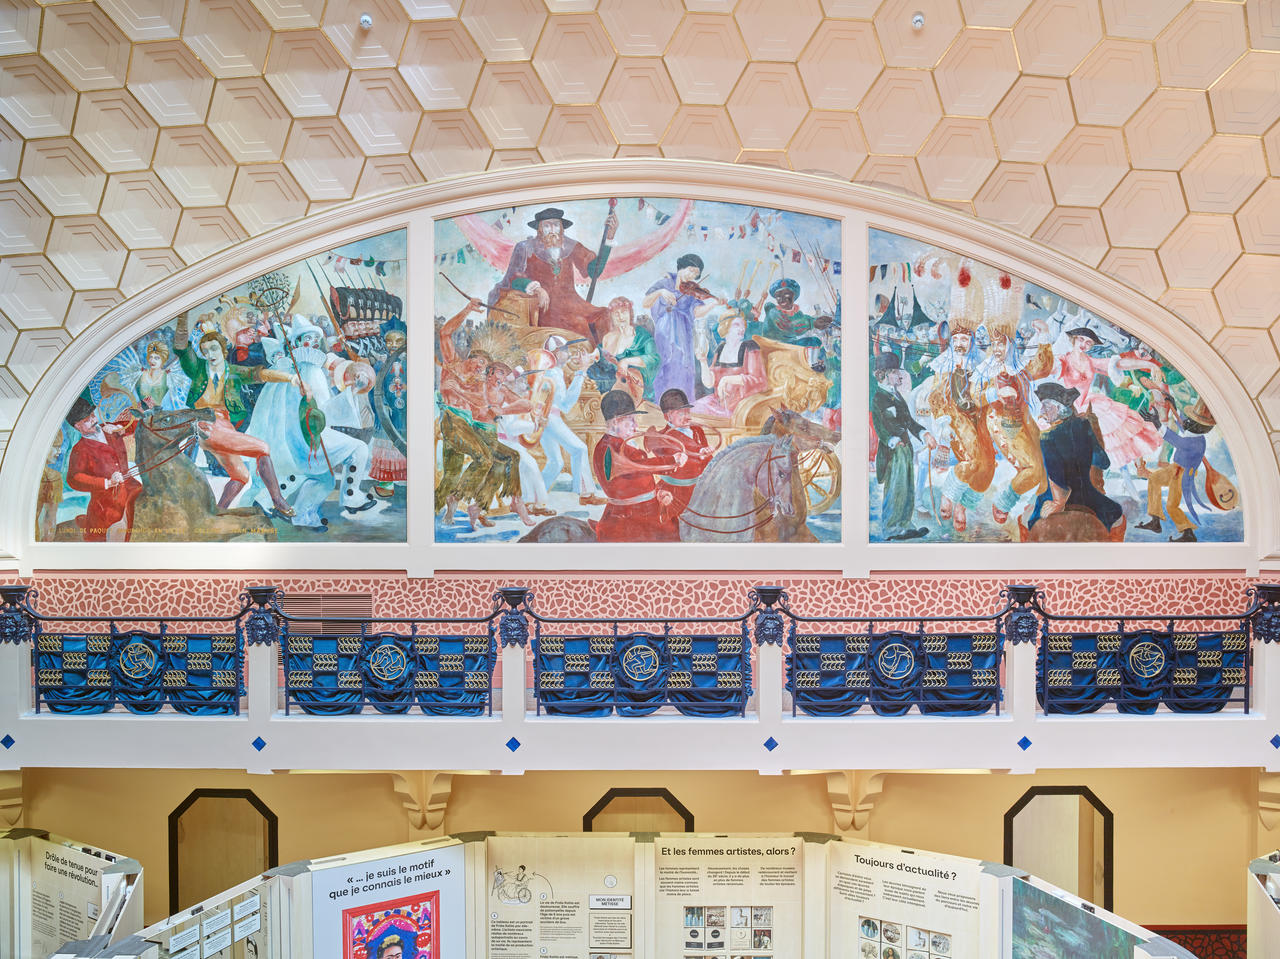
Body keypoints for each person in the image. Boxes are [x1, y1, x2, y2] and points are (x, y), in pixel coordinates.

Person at [173, 310, 297, 516]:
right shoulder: (197, 369)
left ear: (223, 351)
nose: (210, 355)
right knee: (262, 448)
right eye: (205, 351)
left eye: (213, 349)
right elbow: (180, 346)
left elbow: (260, 374)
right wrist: (181, 316)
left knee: (241, 476)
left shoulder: (233, 372)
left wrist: (290, 379)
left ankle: (217, 513)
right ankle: (278, 500)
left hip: (225, 427)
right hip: (206, 424)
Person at [435, 298, 527, 529]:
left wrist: (496, 405)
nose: (481, 368)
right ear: (472, 356)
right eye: (480, 362)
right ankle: (457, 500)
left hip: (466, 427)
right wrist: (466, 309)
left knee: (451, 476)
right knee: (486, 459)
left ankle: (436, 509)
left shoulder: (478, 383)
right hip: (451, 421)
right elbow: (445, 334)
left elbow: (483, 404)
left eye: (485, 366)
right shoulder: (453, 364)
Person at [919, 268, 994, 532]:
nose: (960, 342)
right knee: (973, 459)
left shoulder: (981, 364)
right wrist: (943, 421)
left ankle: (964, 505)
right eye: (957, 338)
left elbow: (985, 396)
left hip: (978, 417)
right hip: (954, 420)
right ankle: (949, 495)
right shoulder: (944, 365)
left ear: (972, 340)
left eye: (965, 338)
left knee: (987, 468)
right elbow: (937, 396)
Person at [490, 206, 618, 344]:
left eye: (556, 225)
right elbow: (513, 279)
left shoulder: (571, 246)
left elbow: (594, 271)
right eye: (547, 226)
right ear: (539, 229)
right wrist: (537, 289)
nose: (552, 230)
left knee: (605, 315)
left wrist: (609, 239)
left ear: (562, 228)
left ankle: (604, 357)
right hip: (545, 308)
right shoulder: (526, 247)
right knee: (580, 324)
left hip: (574, 304)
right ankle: (590, 361)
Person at [1026, 382, 1125, 536]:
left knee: (1029, 525)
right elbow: (1103, 462)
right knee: (1116, 514)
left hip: (1058, 497)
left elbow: (1056, 476)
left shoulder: (1046, 437)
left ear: (1059, 409)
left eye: (1047, 406)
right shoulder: (1084, 424)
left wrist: (1058, 503)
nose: (1042, 411)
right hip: (1088, 496)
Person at [591, 390, 686, 542]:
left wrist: (658, 493)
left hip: (622, 513)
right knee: (674, 535)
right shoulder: (619, 449)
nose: (636, 426)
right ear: (616, 422)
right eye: (631, 420)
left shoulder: (603, 445)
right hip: (635, 518)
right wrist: (671, 460)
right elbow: (640, 466)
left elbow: (635, 480)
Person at [1136, 398, 1220, 543]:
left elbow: (1174, 439)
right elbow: (1183, 428)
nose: (1185, 420)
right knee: (1154, 480)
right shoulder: (1194, 434)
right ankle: (1155, 521)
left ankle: (1188, 533)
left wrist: (1156, 423)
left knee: (1171, 506)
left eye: (1189, 420)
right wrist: (1173, 405)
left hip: (1182, 475)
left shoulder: (1192, 442)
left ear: (1197, 426)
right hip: (1175, 468)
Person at [535, 335, 606, 506]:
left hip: (547, 417)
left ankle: (534, 499)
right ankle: (586, 493)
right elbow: (566, 404)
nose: (569, 353)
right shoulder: (552, 373)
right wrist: (581, 371)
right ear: (557, 353)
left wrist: (581, 370)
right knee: (579, 449)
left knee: (556, 462)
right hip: (550, 418)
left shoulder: (553, 372)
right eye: (565, 350)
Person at [63, 392, 143, 542]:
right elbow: (74, 479)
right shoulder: (80, 449)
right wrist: (107, 482)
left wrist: (122, 426)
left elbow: (134, 424)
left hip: (132, 489)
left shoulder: (109, 428)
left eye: (93, 415)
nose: (93, 420)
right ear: (78, 426)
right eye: (87, 420)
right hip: (106, 504)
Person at [871, 352, 933, 540]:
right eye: (895, 372)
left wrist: (925, 433)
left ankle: (905, 525)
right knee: (896, 488)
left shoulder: (896, 395)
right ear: (883, 374)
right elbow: (880, 427)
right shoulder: (879, 398)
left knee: (907, 488)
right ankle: (891, 528)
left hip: (905, 449)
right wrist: (892, 440)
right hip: (892, 452)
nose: (900, 376)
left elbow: (908, 421)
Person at [643, 253, 721, 403]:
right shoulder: (664, 283)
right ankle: (661, 405)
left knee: (684, 368)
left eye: (696, 274)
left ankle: (683, 406)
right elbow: (646, 303)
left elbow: (696, 312)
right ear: (682, 267)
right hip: (664, 333)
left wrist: (712, 304)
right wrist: (660, 292)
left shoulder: (691, 292)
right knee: (664, 366)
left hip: (684, 334)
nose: (692, 275)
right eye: (691, 270)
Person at [586, 296, 660, 404]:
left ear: (630, 314)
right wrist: (594, 355)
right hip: (612, 390)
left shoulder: (641, 334)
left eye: (624, 312)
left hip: (637, 391)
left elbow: (654, 359)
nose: (621, 317)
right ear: (611, 317)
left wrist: (626, 361)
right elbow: (602, 355)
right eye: (616, 314)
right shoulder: (608, 338)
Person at [653, 388, 713, 520]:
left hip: (699, 489)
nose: (688, 417)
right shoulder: (661, 438)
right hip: (674, 493)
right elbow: (675, 464)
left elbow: (708, 464)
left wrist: (708, 457)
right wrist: (700, 454)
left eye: (688, 411)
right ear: (667, 416)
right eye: (681, 413)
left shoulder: (697, 431)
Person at [694, 308, 767, 418]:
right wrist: (703, 361)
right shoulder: (721, 349)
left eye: (743, 325)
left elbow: (758, 381)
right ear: (726, 327)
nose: (742, 328)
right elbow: (709, 383)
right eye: (737, 325)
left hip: (741, 406)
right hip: (719, 403)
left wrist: (726, 379)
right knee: (693, 411)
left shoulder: (750, 347)